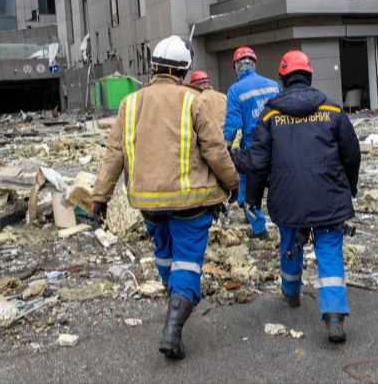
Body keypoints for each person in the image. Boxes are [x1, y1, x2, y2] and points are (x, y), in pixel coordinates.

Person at [91, 36, 238, 360]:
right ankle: (174, 325)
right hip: (191, 201)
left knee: (165, 254)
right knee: (187, 259)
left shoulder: (130, 104)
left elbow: (114, 153)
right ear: (184, 70)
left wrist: (99, 197)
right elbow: (215, 151)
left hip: (148, 201)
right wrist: (232, 183)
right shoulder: (194, 101)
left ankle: (175, 300)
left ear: (154, 66)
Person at [235, 50, 361, 343]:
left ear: (283, 78)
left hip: (287, 198)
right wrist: (349, 188)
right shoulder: (331, 110)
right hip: (329, 197)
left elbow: (257, 164)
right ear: (309, 76)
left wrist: (253, 199)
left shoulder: (270, 114)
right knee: (329, 249)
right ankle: (333, 315)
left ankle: (291, 293)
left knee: (290, 244)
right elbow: (351, 154)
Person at [223, 46, 280, 239]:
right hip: (277, 146)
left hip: (253, 150)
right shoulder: (273, 85)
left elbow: (233, 125)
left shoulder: (235, 90)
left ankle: (259, 230)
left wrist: (226, 148)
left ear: (236, 67)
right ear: (254, 64)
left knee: (249, 192)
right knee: (280, 187)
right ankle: (286, 227)